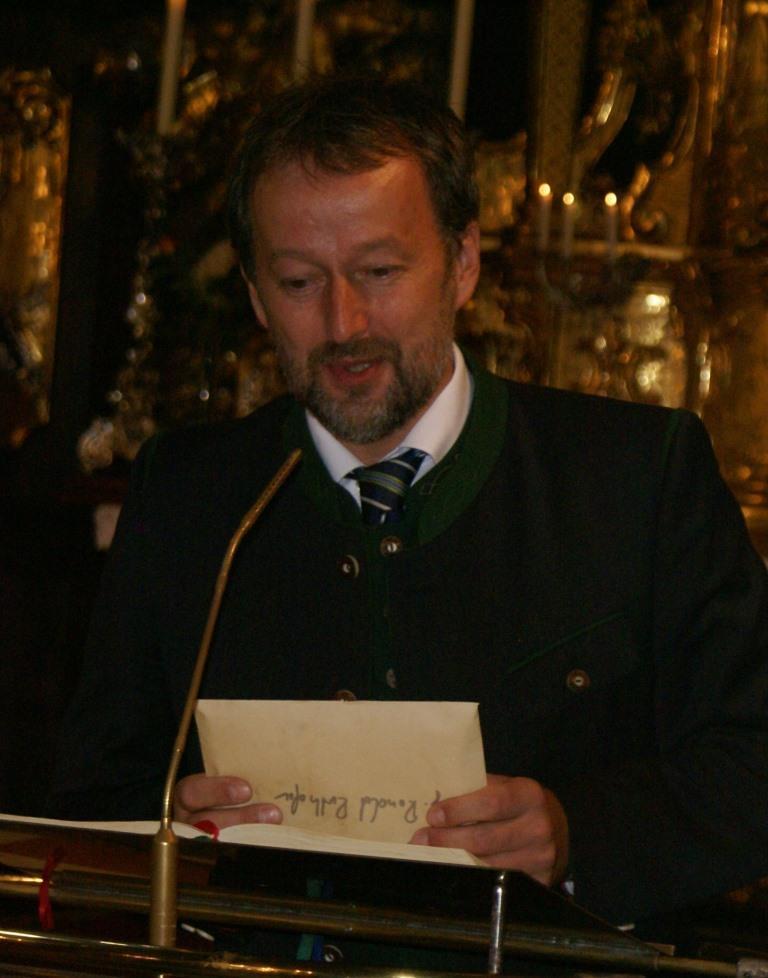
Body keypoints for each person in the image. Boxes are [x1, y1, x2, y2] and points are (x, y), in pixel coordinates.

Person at [49, 74, 768, 929]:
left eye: (380, 271)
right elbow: (91, 800)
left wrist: (578, 834)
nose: (345, 323)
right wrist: (169, 829)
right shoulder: (188, 494)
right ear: (253, 295)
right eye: (299, 282)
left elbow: (751, 762)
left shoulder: (637, 476)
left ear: (463, 264)